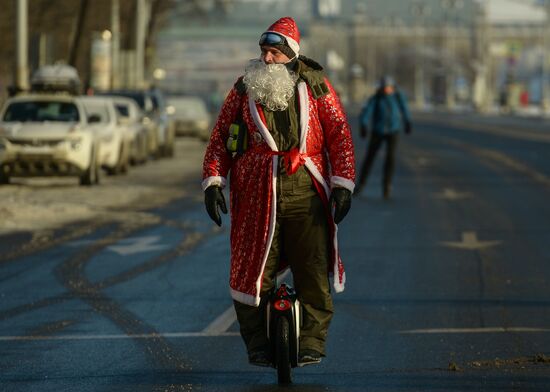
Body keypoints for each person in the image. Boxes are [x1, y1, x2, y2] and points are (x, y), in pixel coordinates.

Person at [202, 17, 355, 367]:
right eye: (264, 52)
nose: (267, 59)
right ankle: (257, 343)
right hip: (256, 194)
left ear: (291, 54)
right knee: (250, 274)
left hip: (305, 190)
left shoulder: (317, 86)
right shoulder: (243, 88)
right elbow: (220, 138)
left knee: (313, 270)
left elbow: (340, 135)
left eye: (274, 52)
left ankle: (312, 343)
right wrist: (213, 182)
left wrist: (342, 184)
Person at [355, 76, 412, 199]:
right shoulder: (376, 98)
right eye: (385, 88)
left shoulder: (397, 97)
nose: (387, 90)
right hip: (378, 131)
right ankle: (361, 185)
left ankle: (387, 186)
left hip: (393, 131)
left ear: (392, 87)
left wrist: (408, 122)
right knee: (369, 158)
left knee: (390, 159)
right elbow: (367, 112)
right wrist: (363, 125)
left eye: (389, 87)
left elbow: (405, 109)